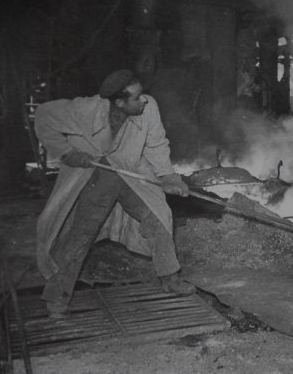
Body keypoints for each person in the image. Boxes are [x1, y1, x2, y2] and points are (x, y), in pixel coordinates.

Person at [34, 69, 195, 318]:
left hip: (131, 171)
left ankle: (170, 279)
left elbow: (156, 143)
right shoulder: (84, 110)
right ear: (119, 102)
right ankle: (57, 298)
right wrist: (66, 152)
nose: (144, 99)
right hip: (96, 174)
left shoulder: (148, 106)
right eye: (137, 97)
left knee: (158, 216)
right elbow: (43, 116)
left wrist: (168, 176)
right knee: (81, 235)